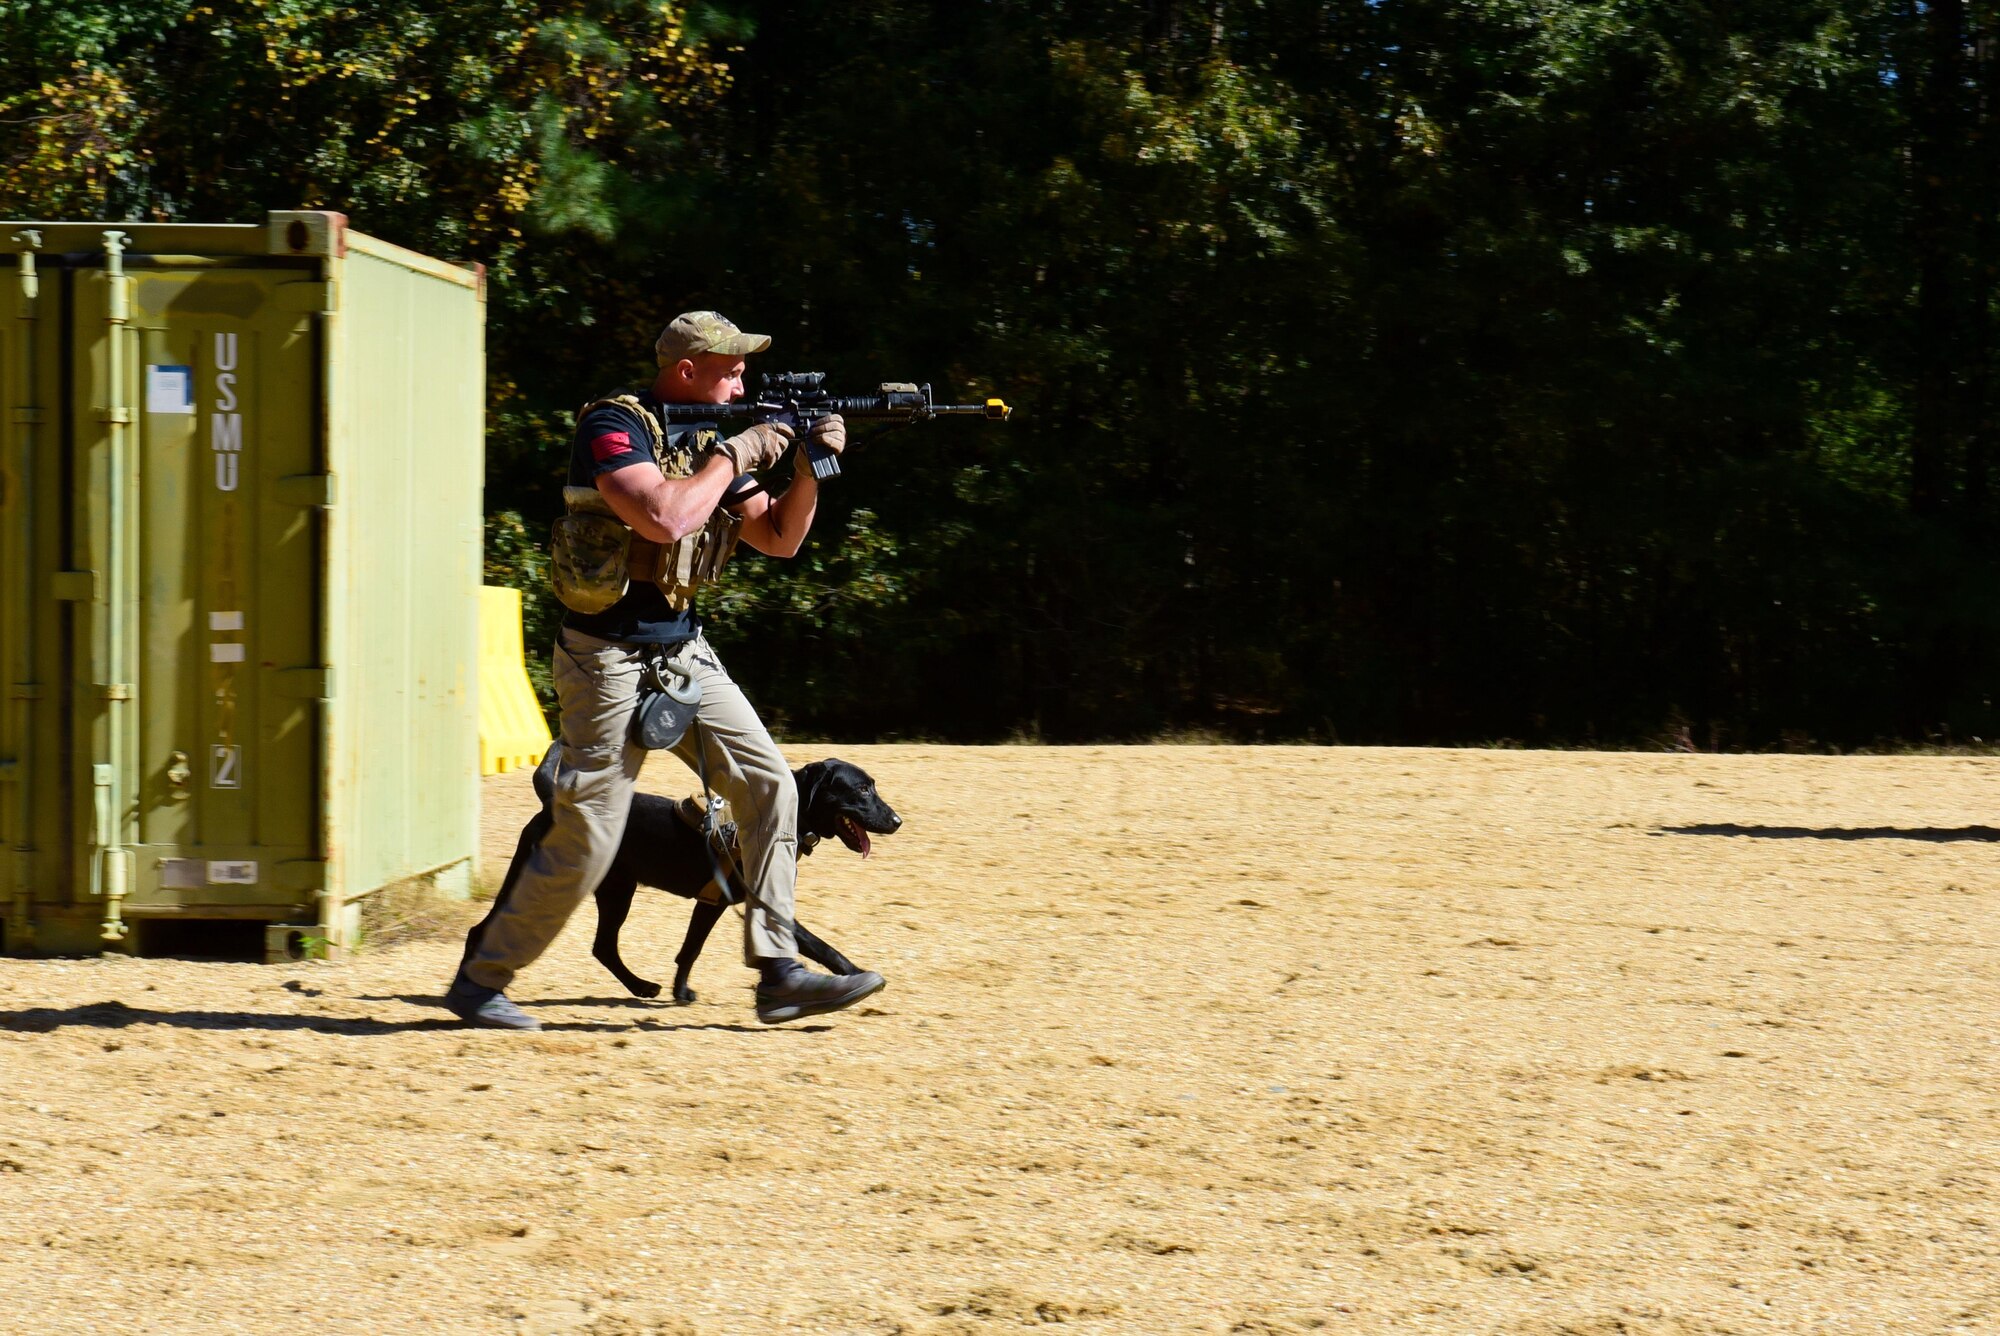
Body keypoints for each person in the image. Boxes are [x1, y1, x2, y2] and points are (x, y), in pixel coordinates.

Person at [445, 311, 886, 1030]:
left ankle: (777, 973)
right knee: (589, 830)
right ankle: (481, 978)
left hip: (681, 651)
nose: (745, 380)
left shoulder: (712, 443)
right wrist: (742, 451)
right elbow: (663, 517)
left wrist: (806, 468)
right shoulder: (615, 426)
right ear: (686, 371)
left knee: (771, 784)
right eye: (732, 368)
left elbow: (779, 538)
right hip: (606, 657)